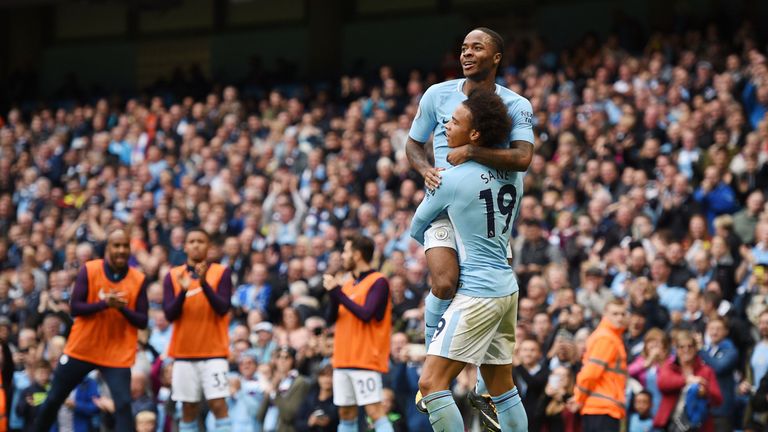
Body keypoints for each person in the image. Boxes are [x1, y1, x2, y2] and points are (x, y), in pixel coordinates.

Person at [406, 26, 534, 430]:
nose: (466, 53)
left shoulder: (515, 105)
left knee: (476, 281)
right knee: (444, 282)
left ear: (496, 57)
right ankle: (439, 370)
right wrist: (427, 168)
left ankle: (441, 383)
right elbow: (413, 143)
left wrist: (469, 154)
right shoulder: (436, 95)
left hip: (475, 201)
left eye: (477, 47)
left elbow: (523, 158)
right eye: (463, 47)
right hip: (448, 201)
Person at [32, 228, 149, 432]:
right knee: (54, 399)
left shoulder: (138, 278)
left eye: (125, 246)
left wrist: (121, 308)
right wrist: (104, 304)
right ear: (107, 249)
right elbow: (76, 308)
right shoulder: (90, 269)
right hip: (83, 348)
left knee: (123, 404)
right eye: (116, 245)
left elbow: (142, 321)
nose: (121, 250)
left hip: (116, 352)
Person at [163, 227, 233, 432]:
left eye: (200, 241)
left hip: (214, 352)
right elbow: (169, 314)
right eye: (191, 241)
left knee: (219, 404)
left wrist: (204, 284)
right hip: (184, 353)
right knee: (188, 408)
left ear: (208, 246)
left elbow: (223, 308)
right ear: (185, 246)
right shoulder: (173, 276)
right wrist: (183, 292)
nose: (195, 245)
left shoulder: (221, 273)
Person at [324, 235, 394, 432]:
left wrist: (337, 292)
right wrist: (333, 293)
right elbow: (330, 318)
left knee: (374, 411)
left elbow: (366, 314)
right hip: (342, 360)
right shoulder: (347, 285)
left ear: (357, 254)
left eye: (346, 252)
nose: (343, 257)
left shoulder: (378, 281)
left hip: (365, 360)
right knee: (345, 414)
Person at [567, 299, 628, 431]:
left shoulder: (610, 336)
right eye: (615, 313)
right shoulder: (607, 338)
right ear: (605, 314)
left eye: (623, 314)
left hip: (600, 407)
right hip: (602, 409)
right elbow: (591, 373)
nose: (620, 318)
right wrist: (578, 398)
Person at [653, 330, 722, 432]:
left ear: (695, 348)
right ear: (676, 349)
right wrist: (687, 380)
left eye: (690, 346)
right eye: (682, 347)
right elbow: (662, 383)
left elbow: (718, 399)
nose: (686, 350)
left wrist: (705, 392)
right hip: (669, 424)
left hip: (697, 426)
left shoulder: (706, 370)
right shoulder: (669, 366)